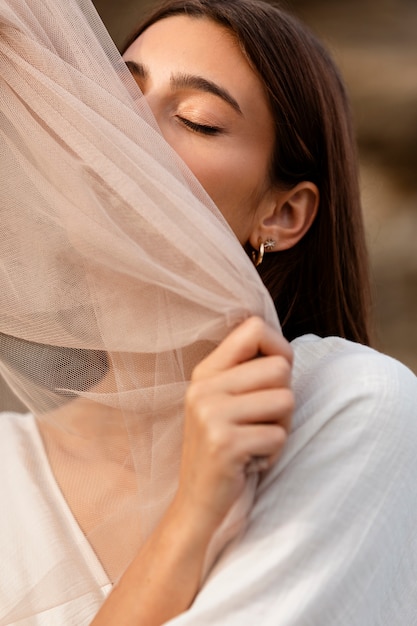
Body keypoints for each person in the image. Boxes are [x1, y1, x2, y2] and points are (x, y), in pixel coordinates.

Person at [0, 0, 416, 625]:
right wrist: (191, 521)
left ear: (283, 214)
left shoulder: (350, 405)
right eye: (111, 98)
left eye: (196, 120)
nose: (124, 131)